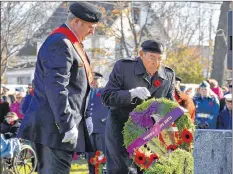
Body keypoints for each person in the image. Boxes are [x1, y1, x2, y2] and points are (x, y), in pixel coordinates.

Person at [17, 2, 102, 173]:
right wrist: (67, 124)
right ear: (77, 22)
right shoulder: (60, 43)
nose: (93, 31)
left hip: (58, 127)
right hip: (54, 128)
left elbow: (76, 88)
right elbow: (56, 88)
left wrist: (85, 117)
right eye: (90, 26)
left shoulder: (70, 43)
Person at [101, 40, 176, 174]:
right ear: (141, 54)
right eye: (152, 58)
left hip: (149, 133)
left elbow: (170, 105)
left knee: (148, 169)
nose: (156, 63)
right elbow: (107, 97)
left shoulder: (168, 75)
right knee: (121, 169)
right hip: (121, 128)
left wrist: (167, 120)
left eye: (160, 59)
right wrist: (130, 94)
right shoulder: (124, 68)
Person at [86, 72, 109, 174]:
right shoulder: (87, 93)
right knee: (90, 156)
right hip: (89, 130)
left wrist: (106, 119)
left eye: (96, 80)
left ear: (100, 80)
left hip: (101, 128)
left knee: (102, 155)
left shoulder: (105, 92)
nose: (94, 83)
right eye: (92, 80)